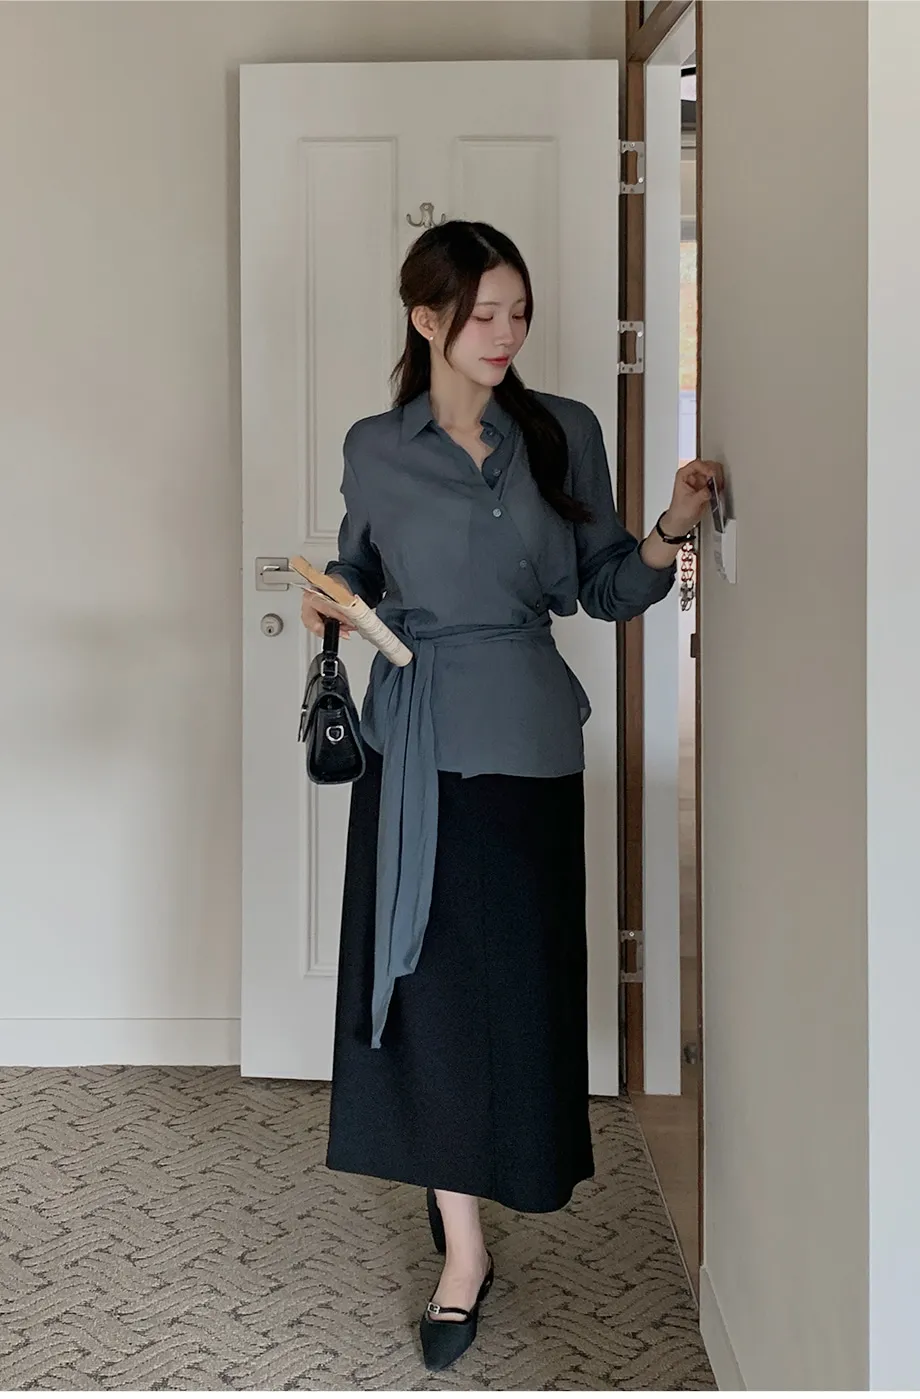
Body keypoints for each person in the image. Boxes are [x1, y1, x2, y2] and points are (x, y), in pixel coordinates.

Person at [301, 220, 720, 1373]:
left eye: (517, 311)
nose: (504, 332)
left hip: (528, 745)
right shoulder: (375, 445)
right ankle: (463, 1249)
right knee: (427, 995)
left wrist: (669, 530)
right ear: (425, 317)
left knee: (517, 993)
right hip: (412, 748)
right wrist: (334, 594)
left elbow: (602, 588)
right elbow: (359, 566)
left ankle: (509, 1173)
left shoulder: (562, 430)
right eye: (481, 313)